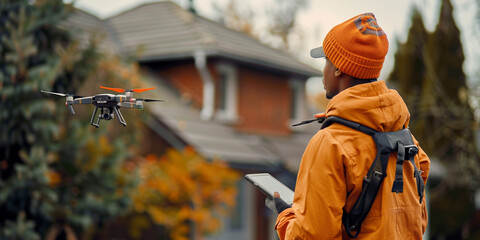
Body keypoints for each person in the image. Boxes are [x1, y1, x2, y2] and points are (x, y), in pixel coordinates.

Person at [266, 13, 430, 239]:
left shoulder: (330, 143)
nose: (323, 70)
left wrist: (286, 218)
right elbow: (417, 222)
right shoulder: (408, 141)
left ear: (338, 69)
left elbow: (313, 235)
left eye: (326, 60)